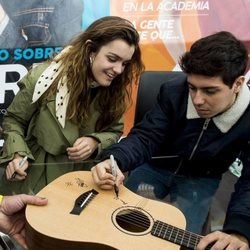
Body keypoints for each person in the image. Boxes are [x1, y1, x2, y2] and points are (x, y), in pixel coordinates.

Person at [91, 31, 250, 249]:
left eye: (210, 90)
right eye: (192, 87)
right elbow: (147, 136)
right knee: (113, 221)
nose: (198, 99)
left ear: (238, 84)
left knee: (183, 243)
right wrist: (114, 160)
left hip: (201, 178)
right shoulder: (173, 90)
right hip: (154, 166)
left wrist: (239, 231)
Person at [0, 16, 144, 195]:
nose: (118, 70)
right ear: (90, 49)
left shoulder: (115, 89)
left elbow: (115, 131)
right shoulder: (43, 79)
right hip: (37, 178)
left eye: (124, 63)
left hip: (85, 182)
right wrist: (17, 154)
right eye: (112, 58)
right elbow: (13, 121)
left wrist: (95, 142)